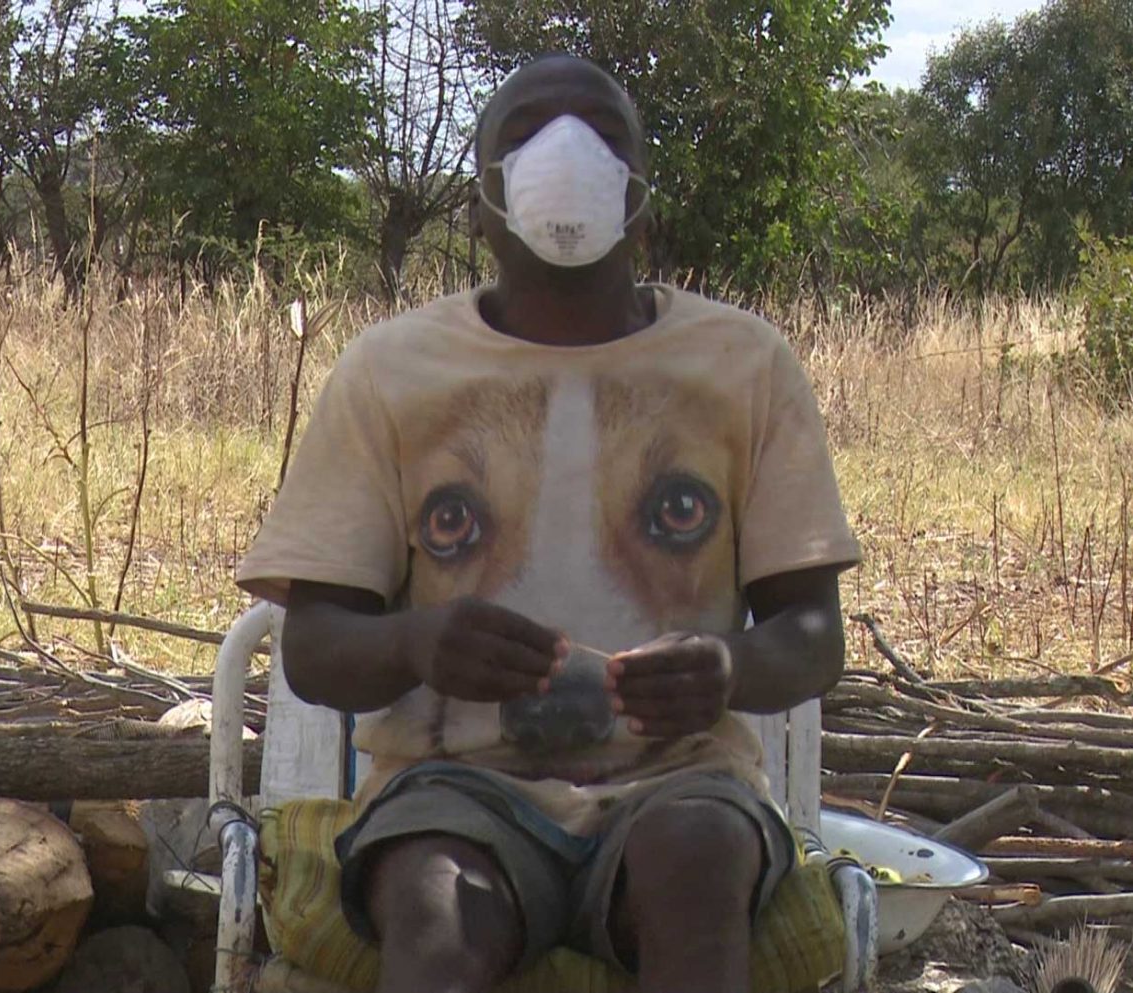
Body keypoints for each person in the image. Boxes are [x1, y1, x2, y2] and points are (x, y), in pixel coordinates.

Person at [237, 53, 860, 993]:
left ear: (641, 197)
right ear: (478, 204)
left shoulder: (746, 366)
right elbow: (314, 649)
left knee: (697, 861)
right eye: (526, 132)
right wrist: (418, 641)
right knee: (435, 902)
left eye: (603, 134)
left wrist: (729, 668)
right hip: (454, 789)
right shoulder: (389, 373)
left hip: (683, 778)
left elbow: (812, 632)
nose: (565, 152)